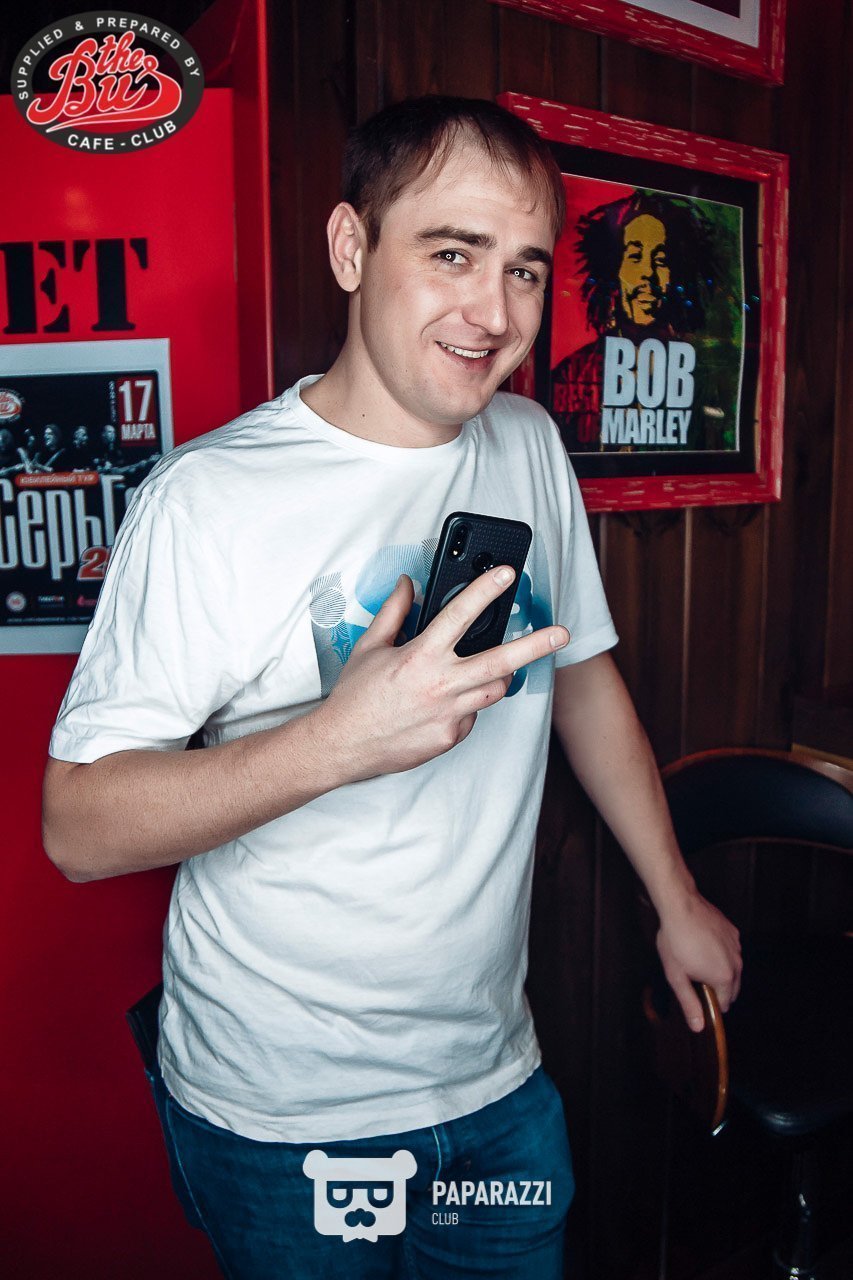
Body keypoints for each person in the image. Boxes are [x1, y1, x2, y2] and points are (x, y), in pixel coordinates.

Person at [43, 96, 741, 1280]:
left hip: (495, 1082)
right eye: (452, 253)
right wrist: (339, 738)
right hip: (278, 1116)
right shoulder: (208, 500)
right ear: (351, 247)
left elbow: (579, 677)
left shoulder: (526, 443)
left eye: (524, 268)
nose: (495, 312)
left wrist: (674, 897)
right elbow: (78, 825)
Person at [550, 190, 721, 451]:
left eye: (660, 260)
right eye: (634, 256)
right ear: (613, 270)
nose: (647, 274)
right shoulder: (572, 374)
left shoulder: (700, 378)